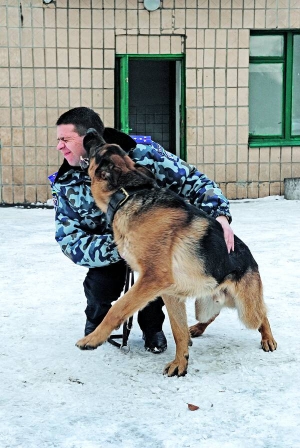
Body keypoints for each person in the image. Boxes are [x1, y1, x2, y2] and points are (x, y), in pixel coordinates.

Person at [50, 107, 234, 354]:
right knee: (100, 285)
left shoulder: (142, 154)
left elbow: (195, 181)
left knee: (156, 275)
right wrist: (125, 245)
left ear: (87, 137)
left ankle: (152, 328)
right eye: (58, 140)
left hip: (156, 238)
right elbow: (69, 240)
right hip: (111, 249)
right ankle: (96, 320)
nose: (59, 147)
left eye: (65, 140)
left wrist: (220, 215)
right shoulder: (65, 182)